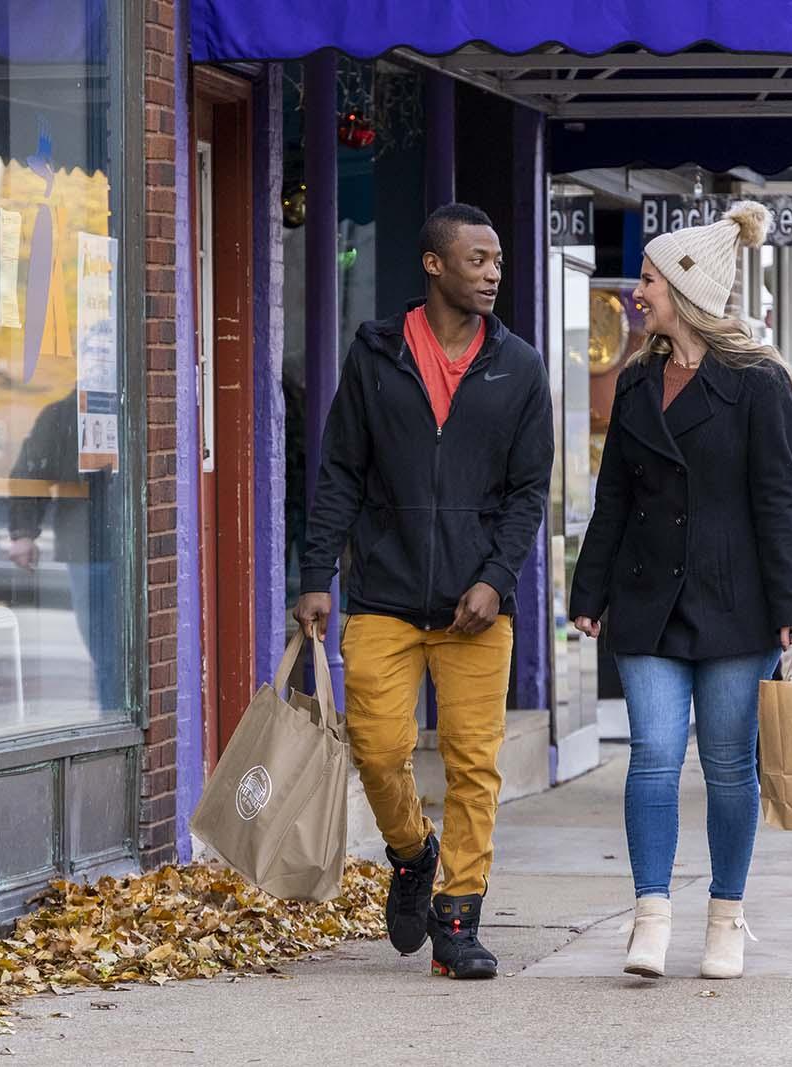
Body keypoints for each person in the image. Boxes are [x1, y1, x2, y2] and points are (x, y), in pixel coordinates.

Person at [294, 203, 553, 981]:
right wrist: (315, 577)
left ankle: (457, 918)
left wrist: (495, 577)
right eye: (477, 258)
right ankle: (411, 852)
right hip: (385, 594)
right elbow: (338, 470)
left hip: (478, 607)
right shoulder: (375, 357)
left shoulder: (520, 366)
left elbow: (529, 489)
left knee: (475, 764)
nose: (492, 272)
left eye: (498, 259)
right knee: (377, 749)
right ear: (434, 265)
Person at [570, 202, 792, 981]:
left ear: (687, 288)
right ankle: (649, 917)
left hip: (735, 606)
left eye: (648, 278)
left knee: (727, 765)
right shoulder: (637, 381)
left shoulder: (759, 385)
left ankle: (725, 918)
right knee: (650, 755)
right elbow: (613, 495)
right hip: (646, 601)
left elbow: (778, 503)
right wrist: (590, 588)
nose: (637, 290)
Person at [5, 389, 121, 708]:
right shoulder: (66, 413)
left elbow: (30, 472)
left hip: (104, 547)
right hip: (90, 548)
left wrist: (24, 533)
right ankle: (113, 721)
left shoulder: (71, 411)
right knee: (109, 653)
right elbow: (31, 472)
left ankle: (113, 720)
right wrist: (24, 532)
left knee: (113, 652)